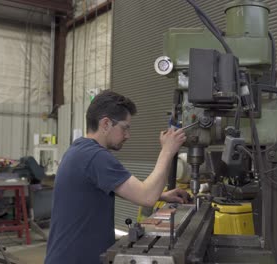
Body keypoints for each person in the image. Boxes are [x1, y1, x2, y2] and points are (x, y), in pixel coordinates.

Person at [45, 90, 189, 264]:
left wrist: (162, 195)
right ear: (106, 124)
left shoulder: (80, 150)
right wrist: (167, 150)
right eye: (125, 127)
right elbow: (147, 197)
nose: (128, 135)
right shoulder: (95, 157)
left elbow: (124, 190)